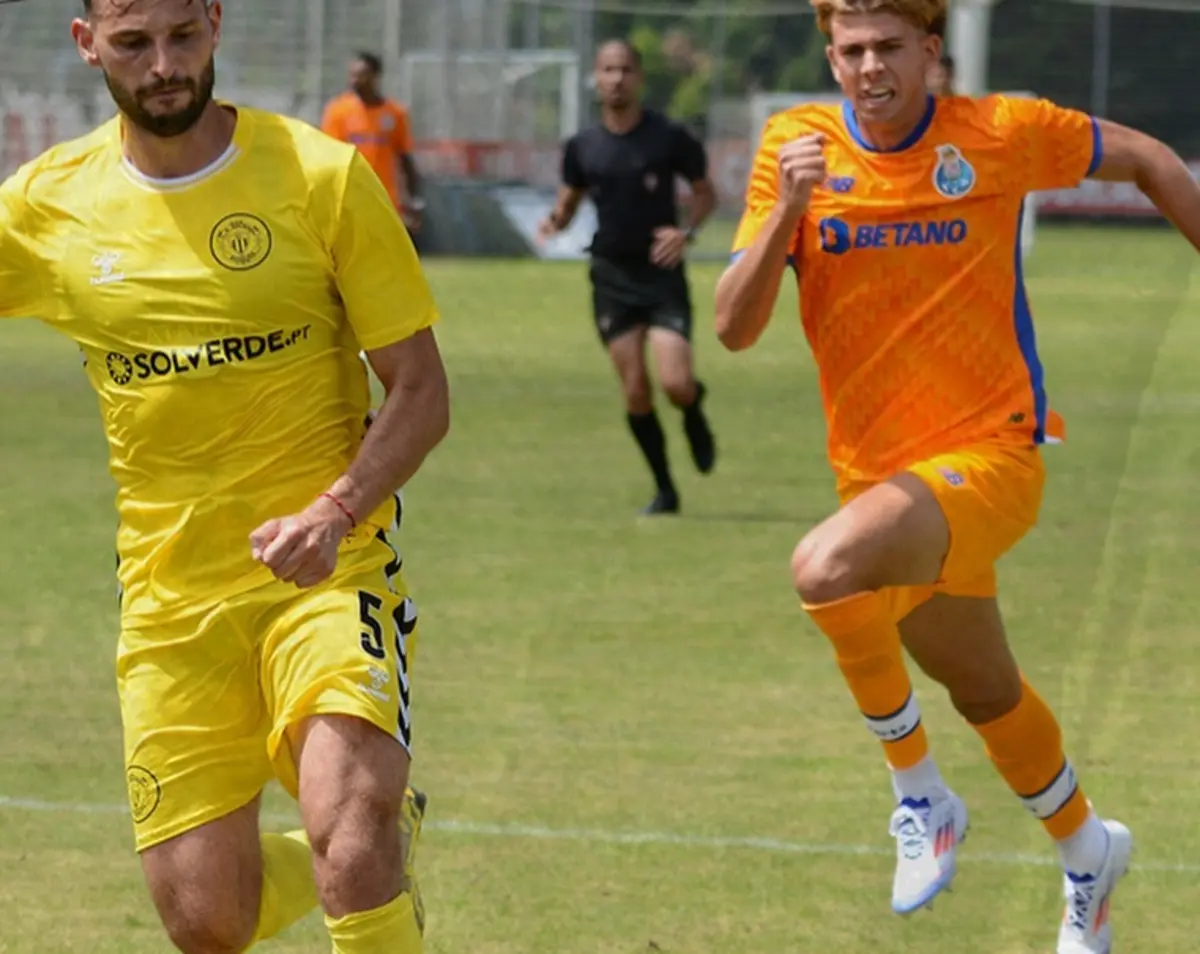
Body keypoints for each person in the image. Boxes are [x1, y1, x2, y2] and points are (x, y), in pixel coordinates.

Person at [715, 0, 1200, 949]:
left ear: (931, 52)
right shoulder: (793, 147)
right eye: (851, 51)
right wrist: (787, 211)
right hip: (884, 490)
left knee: (822, 569)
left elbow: (1144, 155)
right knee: (986, 693)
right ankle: (1088, 849)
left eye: (890, 46)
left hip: (993, 457)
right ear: (832, 57)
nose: (870, 67)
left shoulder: (1002, 132)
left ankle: (919, 795)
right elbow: (734, 328)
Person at [0, 2, 452, 952]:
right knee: (210, 924)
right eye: (133, 44)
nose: (164, 65)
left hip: (327, 574)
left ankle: (368, 855)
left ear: (214, 22)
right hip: (170, 606)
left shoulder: (320, 176)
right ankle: (358, 856)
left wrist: (335, 510)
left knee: (352, 837)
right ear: (89, 45)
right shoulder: (46, 205)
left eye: (182, 36)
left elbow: (419, 390)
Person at [539, 39, 718, 516]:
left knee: (676, 383)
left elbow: (704, 193)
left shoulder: (667, 137)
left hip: (661, 275)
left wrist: (687, 232)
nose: (616, 78)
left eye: (624, 70)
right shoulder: (583, 146)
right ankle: (665, 489)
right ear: (596, 79)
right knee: (636, 389)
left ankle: (694, 411)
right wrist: (556, 219)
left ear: (638, 78)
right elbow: (572, 194)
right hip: (612, 277)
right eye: (607, 70)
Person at [322, 51, 425, 236]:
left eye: (361, 75)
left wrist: (415, 202)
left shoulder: (395, 113)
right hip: (348, 201)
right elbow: (327, 158)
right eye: (352, 75)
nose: (355, 80)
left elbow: (405, 159)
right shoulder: (338, 111)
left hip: (383, 201)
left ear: (375, 76)